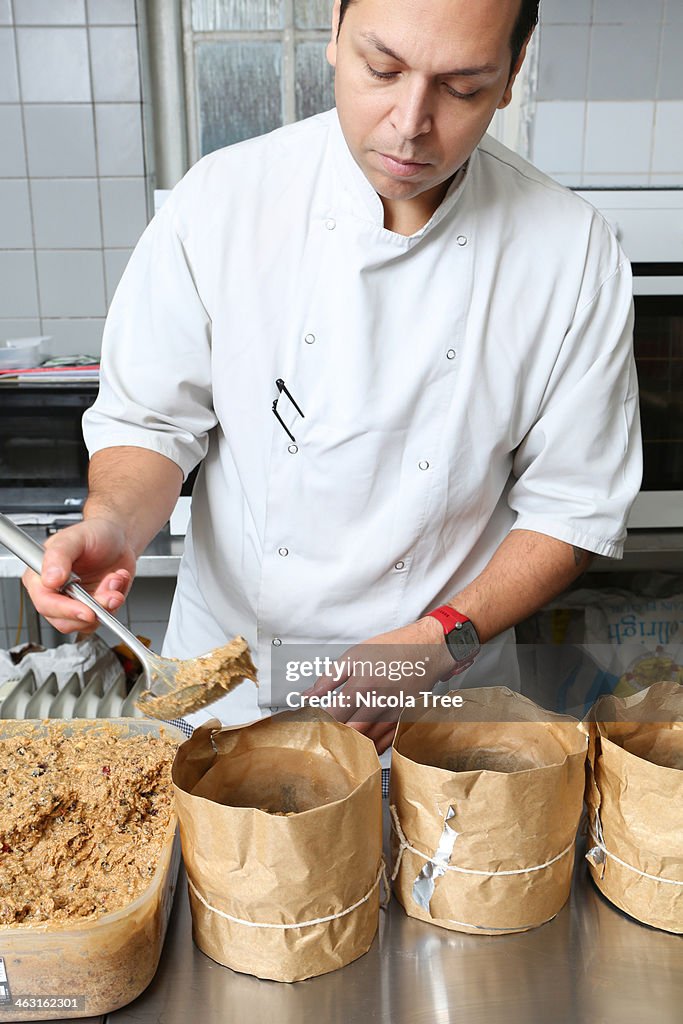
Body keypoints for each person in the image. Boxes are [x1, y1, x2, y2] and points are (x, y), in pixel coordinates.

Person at [23, 0, 641, 754]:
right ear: (333, 37)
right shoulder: (221, 204)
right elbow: (151, 423)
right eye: (380, 69)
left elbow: (571, 510)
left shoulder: (571, 252)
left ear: (511, 74)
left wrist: (438, 639)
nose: (409, 122)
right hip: (232, 691)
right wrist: (115, 523)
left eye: (462, 87)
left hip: (439, 710)